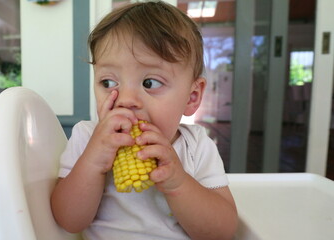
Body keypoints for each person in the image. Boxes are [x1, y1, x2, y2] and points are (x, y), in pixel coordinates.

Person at [51, 2, 237, 239]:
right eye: (108, 83)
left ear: (191, 97)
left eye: (150, 83)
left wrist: (178, 183)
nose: (127, 100)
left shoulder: (196, 146)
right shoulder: (87, 137)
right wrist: (93, 162)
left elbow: (223, 231)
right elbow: (68, 221)